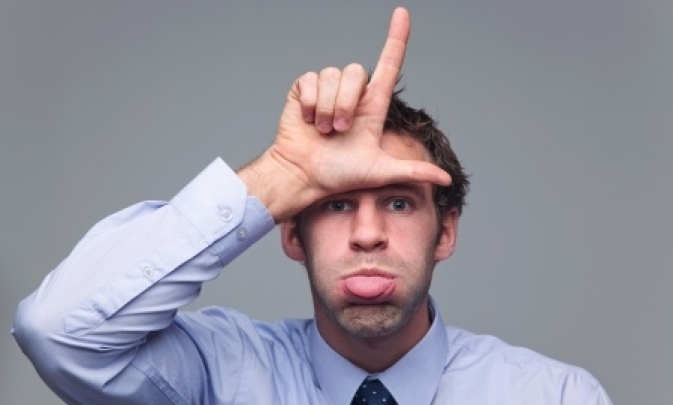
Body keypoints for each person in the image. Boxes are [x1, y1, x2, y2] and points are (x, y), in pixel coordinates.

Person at [13, 8, 612, 405]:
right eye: (336, 205)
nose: (368, 233)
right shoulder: (216, 376)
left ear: (446, 232)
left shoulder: (554, 396)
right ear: (291, 235)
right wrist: (283, 176)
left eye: (399, 203)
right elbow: (58, 332)